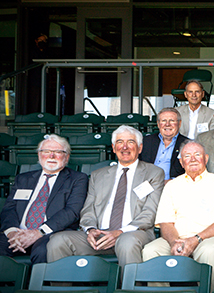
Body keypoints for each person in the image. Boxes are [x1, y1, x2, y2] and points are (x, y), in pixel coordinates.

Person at [47, 126, 165, 267]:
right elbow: (88, 209)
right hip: (99, 236)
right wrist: (90, 230)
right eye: (120, 142)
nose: (125, 147)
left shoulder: (153, 173)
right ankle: (60, 289)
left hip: (134, 233)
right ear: (114, 148)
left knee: (126, 242)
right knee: (57, 241)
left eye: (130, 142)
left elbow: (149, 213)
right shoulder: (99, 175)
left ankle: (129, 289)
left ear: (140, 148)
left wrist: (119, 232)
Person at [142, 141, 214, 285]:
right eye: (187, 155)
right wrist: (174, 242)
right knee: (150, 250)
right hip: (176, 238)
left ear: (206, 158)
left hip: (209, 239)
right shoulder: (172, 186)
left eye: (197, 155)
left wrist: (195, 239)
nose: (193, 159)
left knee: (209, 252)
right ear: (181, 162)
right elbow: (165, 222)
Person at [0, 135, 88, 264]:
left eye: (58, 152)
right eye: (46, 151)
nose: (51, 156)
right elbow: (9, 208)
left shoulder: (77, 179)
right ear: (39, 155)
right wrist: (12, 233)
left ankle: (35, 284)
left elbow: (72, 211)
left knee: (43, 250)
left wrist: (39, 232)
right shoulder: (23, 179)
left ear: (67, 157)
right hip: (18, 232)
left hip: (51, 233)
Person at [140, 107, 189, 181]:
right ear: (158, 124)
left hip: (174, 186)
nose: (167, 124)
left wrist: (173, 182)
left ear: (179, 123)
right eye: (164, 121)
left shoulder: (188, 144)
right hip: (147, 185)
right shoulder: (145, 141)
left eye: (172, 121)